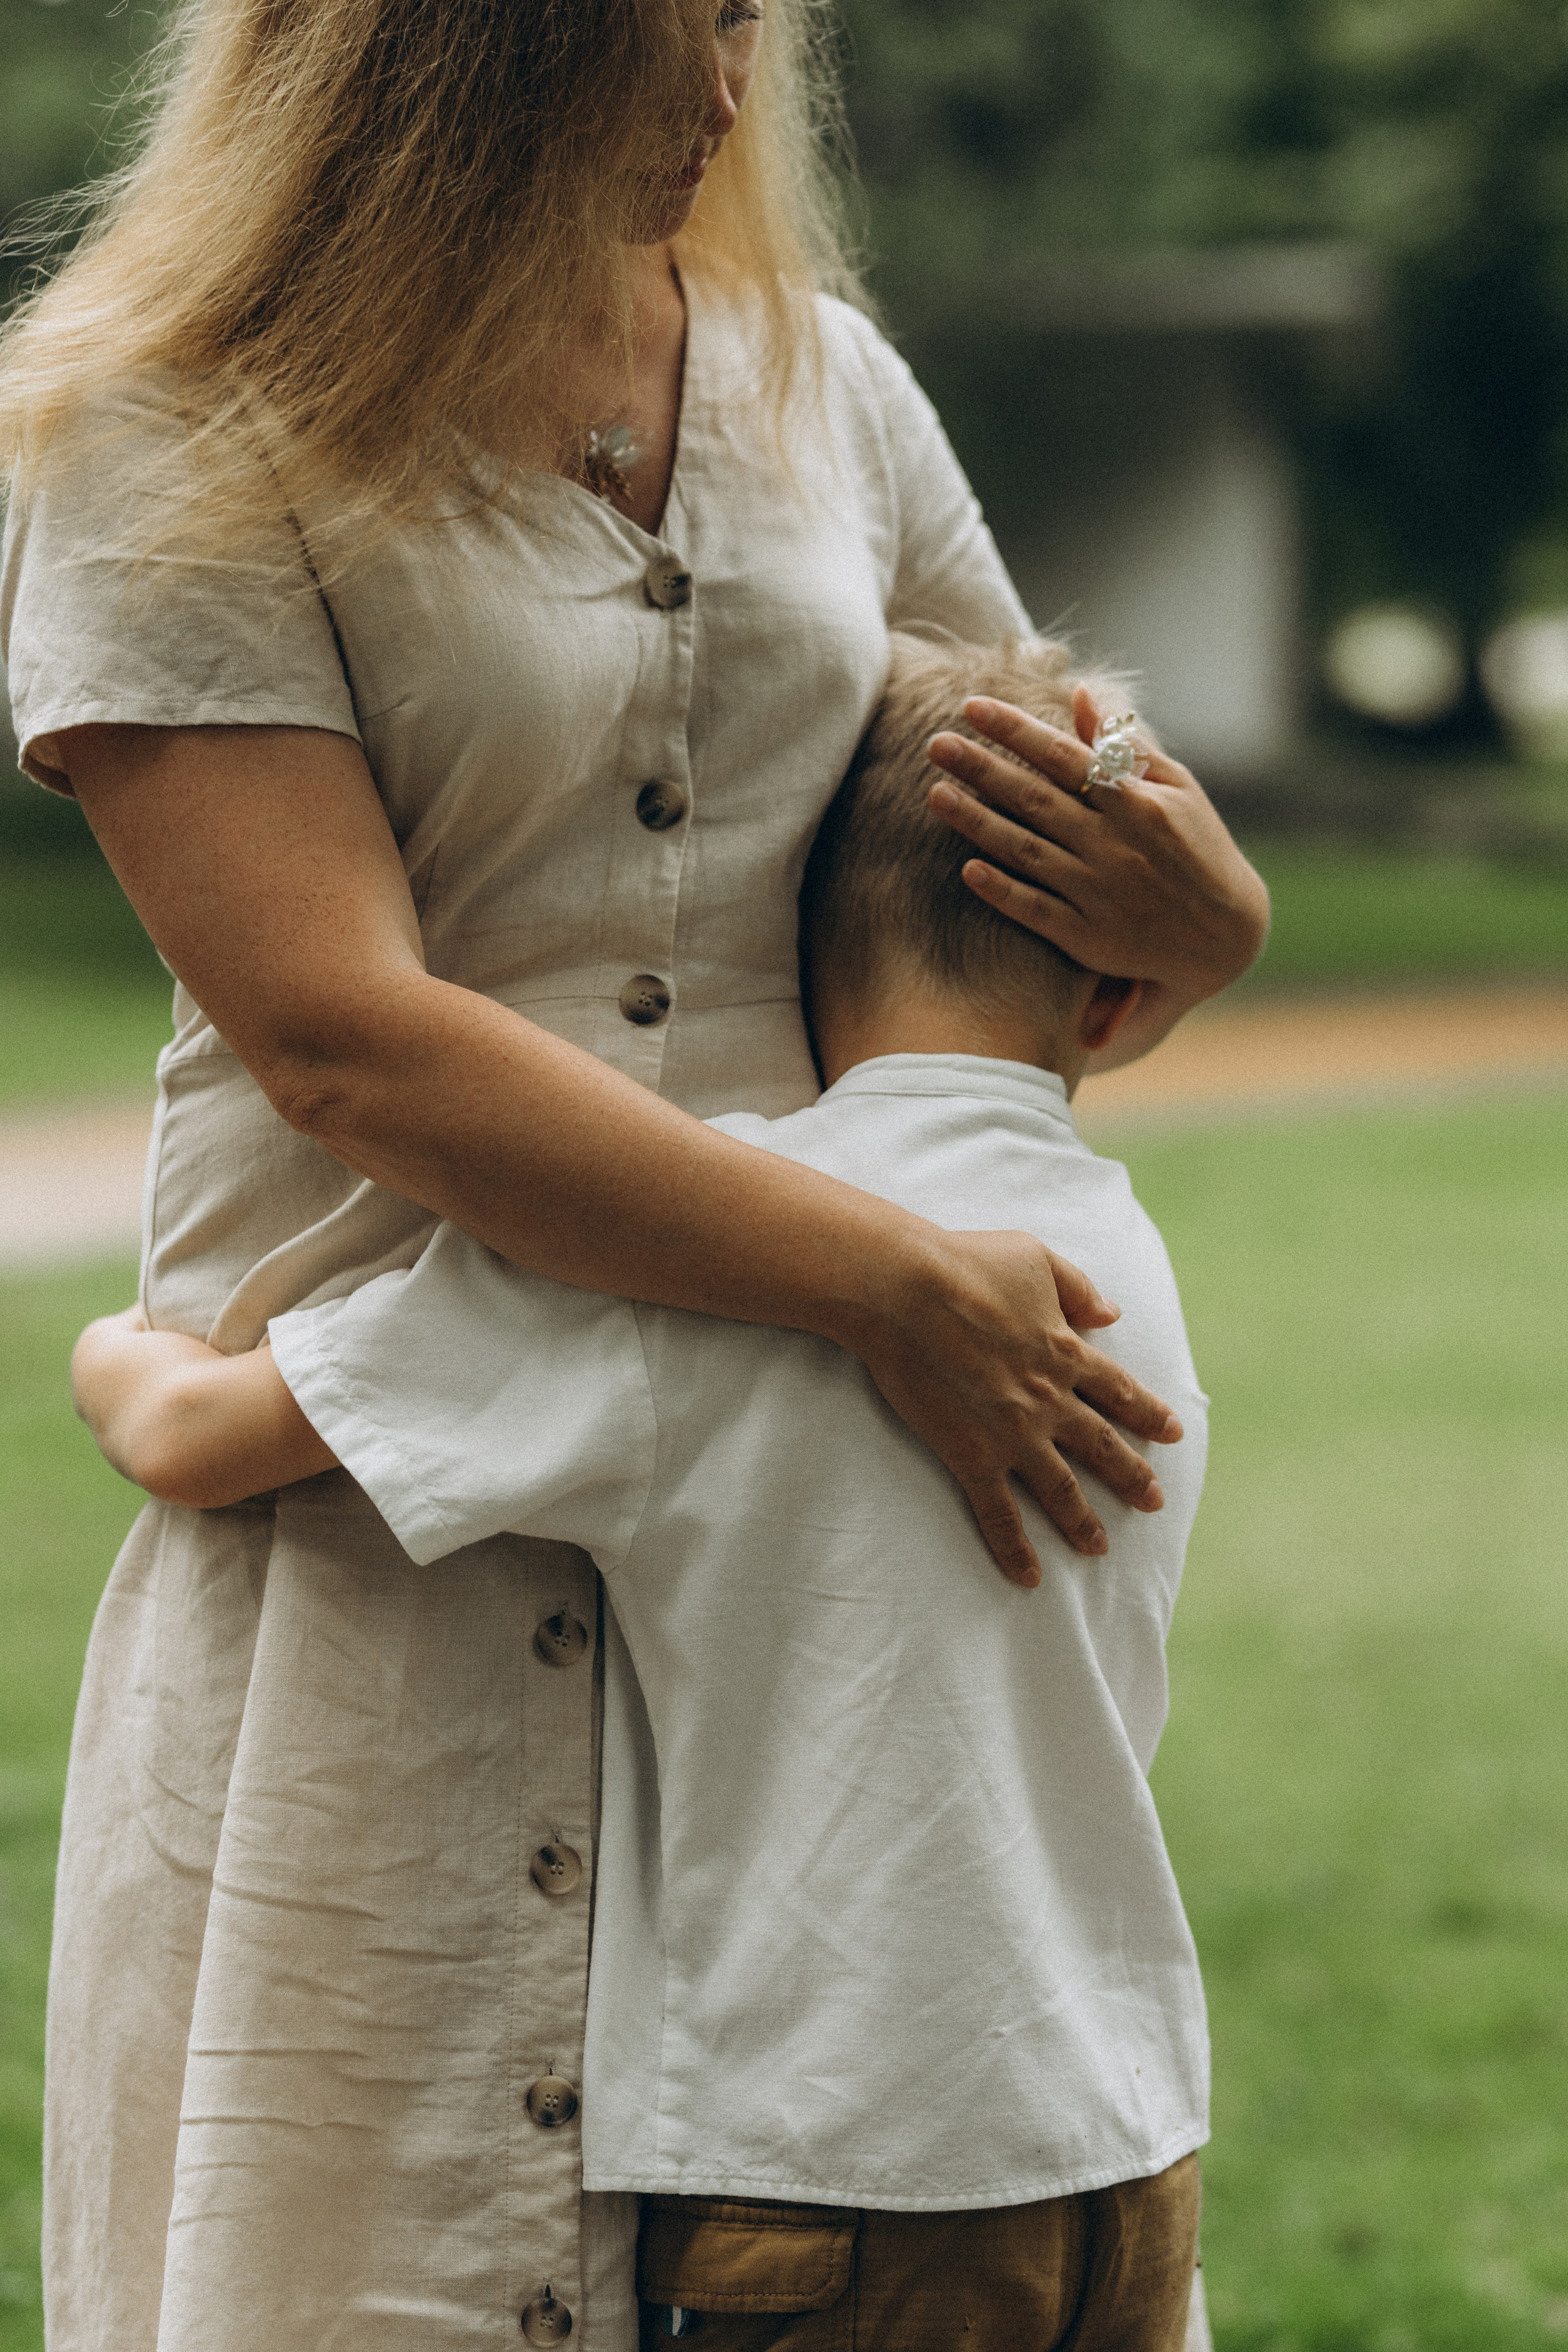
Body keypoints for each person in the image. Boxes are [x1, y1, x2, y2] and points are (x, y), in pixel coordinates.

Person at [1, 2, 1265, 2343]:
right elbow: (343, 1043)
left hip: (820, 1545)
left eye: (749, 21)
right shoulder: (168, 423)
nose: (732, 84)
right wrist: (880, 1277)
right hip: (383, 1517)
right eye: (678, 20)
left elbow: (1006, 830)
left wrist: (1204, 919)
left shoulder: (823, 386)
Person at [73, 635, 1214, 2352]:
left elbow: (191, 1436)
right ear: (1120, 1002)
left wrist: (109, 1349)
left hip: (830, 2178)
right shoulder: (1124, 1251)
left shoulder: (715, 1247)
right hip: (1123, 2154)